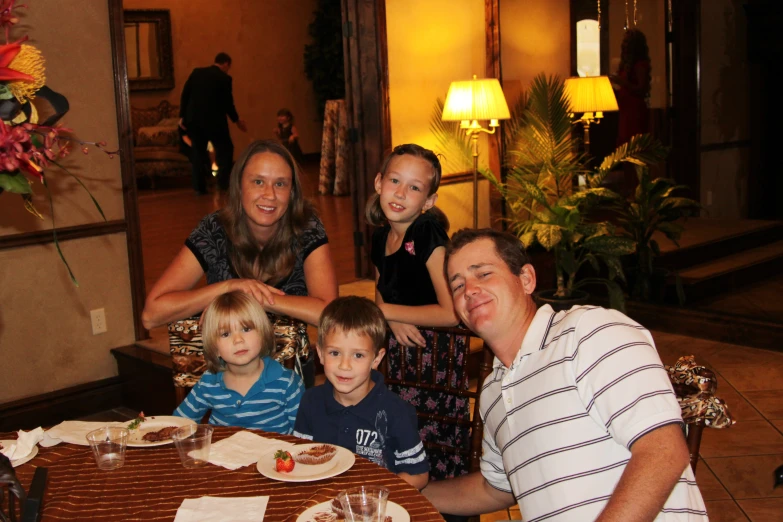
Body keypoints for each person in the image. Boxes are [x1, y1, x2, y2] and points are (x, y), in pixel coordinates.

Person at [421, 228, 708, 521]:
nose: (469, 290)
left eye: (482, 274)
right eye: (457, 286)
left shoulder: (588, 332)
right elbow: (495, 488)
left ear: (526, 279)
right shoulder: (493, 392)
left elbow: (663, 451)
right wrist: (407, 492)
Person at [141, 139, 339, 388]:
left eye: (280, 184)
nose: (270, 194)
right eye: (258, 182)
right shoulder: (214, 229)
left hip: (288, 376)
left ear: (292, 193)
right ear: (239, 186)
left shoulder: (306, 227)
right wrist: (228, 288)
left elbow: (330, 315)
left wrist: (254, 297)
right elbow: (151, 315)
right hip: (226, 374)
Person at [367, 144, 468, 485]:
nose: (400, 193)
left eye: (414, 187)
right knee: (400, 433)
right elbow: (382, 292)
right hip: (399, 351)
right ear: (379, 182)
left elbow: (452, 311)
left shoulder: (426, 233)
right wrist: (389, 317)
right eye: (395, 180)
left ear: (428, 201)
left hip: (434, 352)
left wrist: (384, 312)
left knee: (431, 440)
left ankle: (442, 506)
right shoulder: (380, 237)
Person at [293, 296, 429, 490]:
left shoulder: (396, 411)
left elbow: (419, 475)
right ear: (321, 354)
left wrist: (379, 494)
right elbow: (302, 458)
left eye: (358, 355)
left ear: (376, 358)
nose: (344, 365)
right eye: (335, 353)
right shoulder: (310, 401)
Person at [173, 291, 303, 432]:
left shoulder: (287, 383)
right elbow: (179, 423)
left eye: (246, 329)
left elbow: (305, 432)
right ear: (214, 347)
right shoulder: (209, 382)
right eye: (225, 334)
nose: (238, 340)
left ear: (263, 333)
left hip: (278, 453)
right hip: (224, 453)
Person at [179, 52, 248, 194]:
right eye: (228, 67)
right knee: (226, 149)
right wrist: (236, 120)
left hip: (195, 121)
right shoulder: (224, 78)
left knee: (197, 152)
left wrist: (182, 116)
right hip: (215, 122)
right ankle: (222, 182)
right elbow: (228, 103)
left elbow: (185, 94)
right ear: (226, 64)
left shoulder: (196, 73)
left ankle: (199, 187)